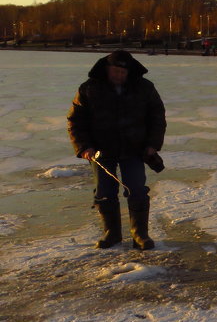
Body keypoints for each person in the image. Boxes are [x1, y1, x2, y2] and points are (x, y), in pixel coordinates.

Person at [68, 50, 166, 250]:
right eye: (115, 72)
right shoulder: (89, 89)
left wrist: (152, 144)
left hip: (135, 149)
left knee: (137, 189)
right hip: (101, 151)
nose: (119, 76)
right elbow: (75, 120)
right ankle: (111, 234)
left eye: (123, 73)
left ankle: (140, 234)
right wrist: (84, 146)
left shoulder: (145, 88)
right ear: (106, 69)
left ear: (129, 72)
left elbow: (157, 117)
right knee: (104, 192)